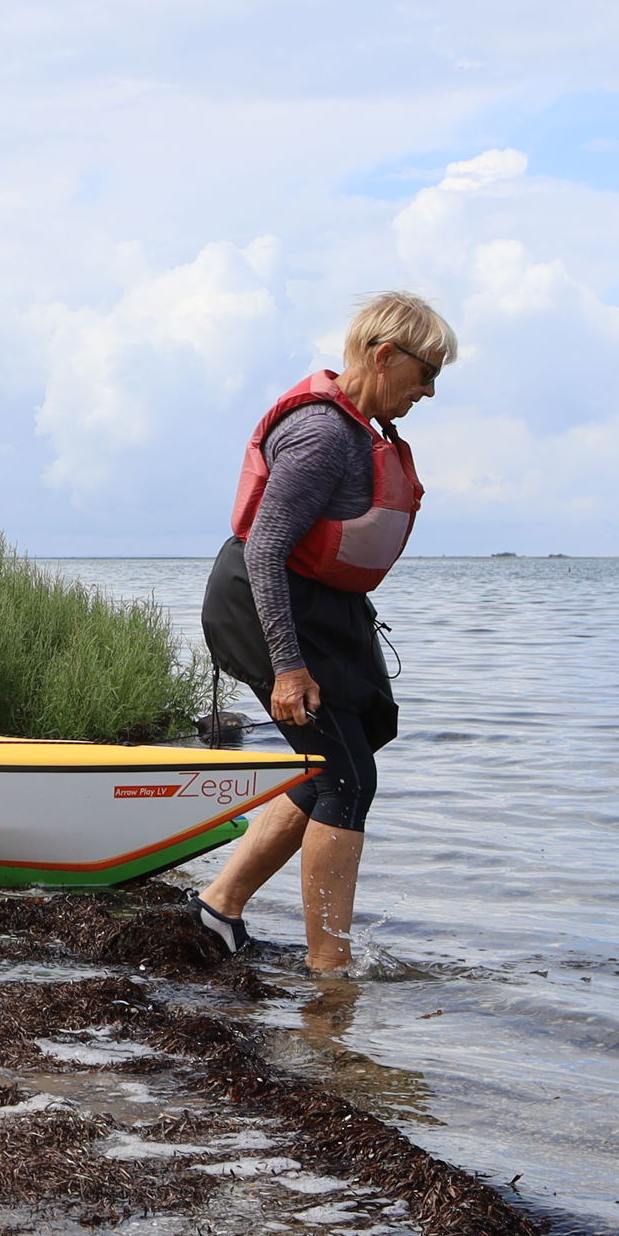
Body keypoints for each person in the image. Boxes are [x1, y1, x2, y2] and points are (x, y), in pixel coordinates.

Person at [187, 290, 456, 975]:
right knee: (347, 776)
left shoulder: (362, 434)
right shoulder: (323, 435)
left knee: (344, 753)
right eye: (426, 373)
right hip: (261, 602)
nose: (429, 390)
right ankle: (328, 966)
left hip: (317, 606)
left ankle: (219, 907)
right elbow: (264, 549)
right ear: (385, 355)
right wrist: (288, 667)